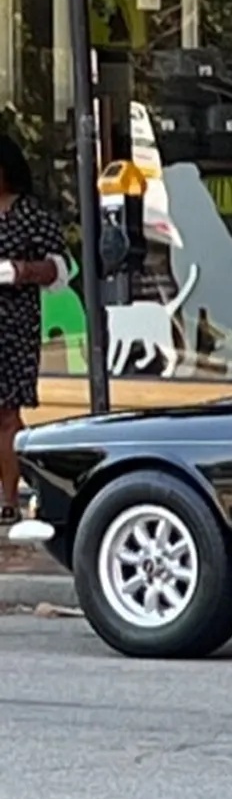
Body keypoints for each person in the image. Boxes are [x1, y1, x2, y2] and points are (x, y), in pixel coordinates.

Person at [0, 135, 70, 524]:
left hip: (12, 325)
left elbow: (60, 270)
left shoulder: (29, 215)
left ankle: (9, 498)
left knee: (6, 414)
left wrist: (20, 271)